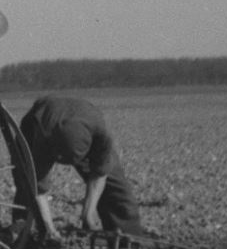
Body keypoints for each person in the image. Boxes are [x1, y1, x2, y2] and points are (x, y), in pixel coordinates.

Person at [18, 95, 151, 237]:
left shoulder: (101, 136)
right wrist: (49, 227)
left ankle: (127, 242)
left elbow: (100, 174)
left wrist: (88, 212)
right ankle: (26, 239)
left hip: (84, 126)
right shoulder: (43, 139)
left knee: (117, 192)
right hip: (41, 127)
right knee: (26, 187)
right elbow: (38, 188)